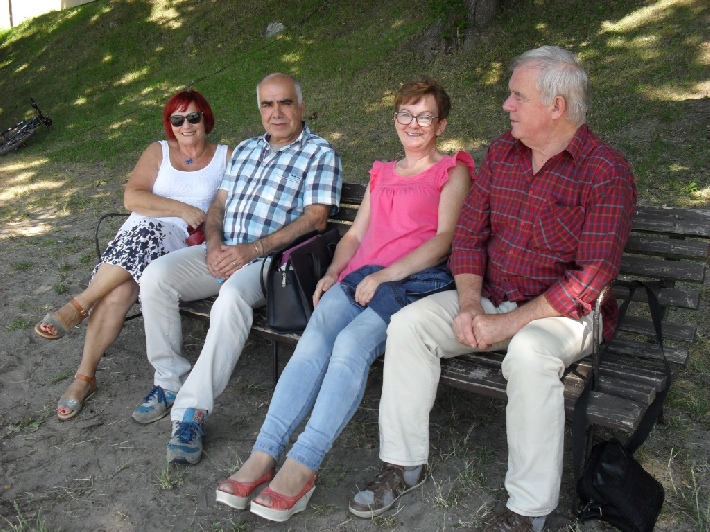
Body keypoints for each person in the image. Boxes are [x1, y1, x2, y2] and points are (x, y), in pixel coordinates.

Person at [349, 46, 637, 531]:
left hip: (565, 314)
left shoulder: (605, 171)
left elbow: (589, 280)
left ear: (556, 107)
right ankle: (403, 464)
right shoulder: (503, 153)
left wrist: (506, 323)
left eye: (517, 96)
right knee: (409, 325)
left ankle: (527, 511)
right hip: (490, 296)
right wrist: (467, 304)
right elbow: (468, 236)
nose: (506, 105)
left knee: (529, 353)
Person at [213, 75, 474, 523]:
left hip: (410, 285)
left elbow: (444, 240)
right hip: (359, 278)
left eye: (425, 116)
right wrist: (333, 273)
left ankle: (303, 465)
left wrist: (386, 275)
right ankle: (264, 453)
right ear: (395, 119)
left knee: (351, 345)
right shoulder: (382, 172)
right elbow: (353, 236)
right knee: (312, 343)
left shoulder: (452, 170)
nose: (413, 124)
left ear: (441, 124)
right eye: (405, 114)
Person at [132, 73, 343, 466]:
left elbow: (316, 219)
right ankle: (169, 381)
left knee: (230, 297)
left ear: (301, 105)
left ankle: (191, 413)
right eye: (267, 104)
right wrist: (214, 246)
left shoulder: (319, 153)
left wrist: (253, 250)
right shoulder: (246, 149)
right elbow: (218, 205)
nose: (276, 113)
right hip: (224, 250)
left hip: (271, 262)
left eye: (285, 103)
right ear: (259, 109)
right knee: (156, 277)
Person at [34, 90, 230, 421]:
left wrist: (199, 221)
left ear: (205, 119)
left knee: (140, 244)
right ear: (170, 124)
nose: (185, 125)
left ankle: (79, 307)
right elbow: (132, 198)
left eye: (193, 117)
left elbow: (232, 204)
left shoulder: (225, 156)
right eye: (177, 119)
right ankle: (85, 377)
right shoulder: (158, 151)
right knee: (119, 290)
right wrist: (181, 207)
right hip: (135, 237)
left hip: (178, 247)